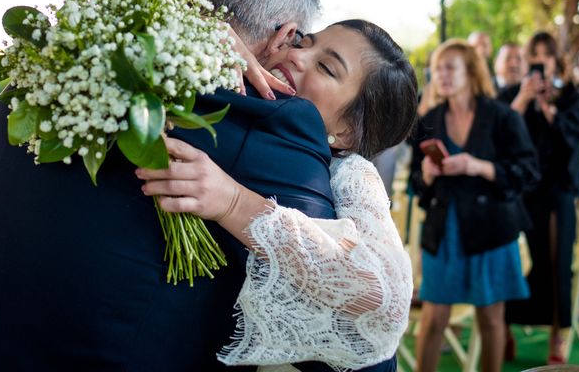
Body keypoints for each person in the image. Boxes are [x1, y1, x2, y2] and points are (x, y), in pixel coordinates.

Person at [0, 0, 393, 372]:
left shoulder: (45, 64)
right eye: (302, 41)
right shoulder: (269, 122)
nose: (298, 57)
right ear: (285, 35)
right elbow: (361, 346)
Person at [138, 19, 418, 370]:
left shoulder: (352, 172)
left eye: (326, 67)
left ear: (346, 132)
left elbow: (386, 298)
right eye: (304, 42)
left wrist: (232, 202)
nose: (298, 56)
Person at [409, 39, 539, 372]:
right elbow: (416, 185)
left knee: (492, 318)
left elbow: (528, 172)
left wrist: (478, 166)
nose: (441, 75)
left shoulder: (502, 117)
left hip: (492, 229)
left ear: (470, 71)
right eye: (437, 68)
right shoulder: (430, 119)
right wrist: (426, 174)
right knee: (434, 318)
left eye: (450, 67)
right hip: (444, 229)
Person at [500, 31, 579, 364]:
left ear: (556, 59)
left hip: (556, 190)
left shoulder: (569, 99)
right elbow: (497, 133)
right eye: (534, 53)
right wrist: (524, 100)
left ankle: (559, 332)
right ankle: (504, 325)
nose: (540, 59)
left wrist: (548, 107)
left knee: (556, 257)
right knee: (507, 255)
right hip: (517, 191)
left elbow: (572, 143)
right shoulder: (513, 94)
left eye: (546, 53)